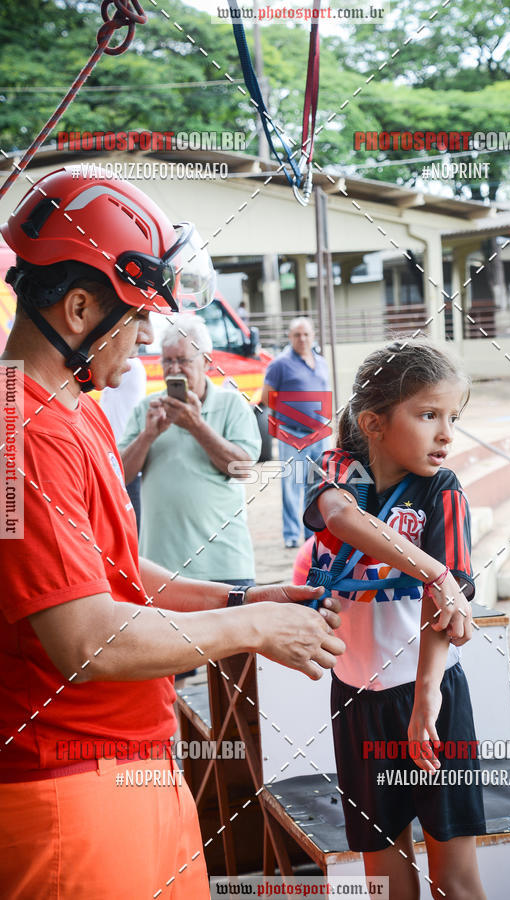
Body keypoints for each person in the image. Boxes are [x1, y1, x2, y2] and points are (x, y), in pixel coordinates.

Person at [0, 167, 344, 900]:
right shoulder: (22, 432)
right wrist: (252, 627)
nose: (151, 339)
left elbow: (114, 573)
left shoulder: (71, 406)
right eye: (138, 316)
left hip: (126, 761)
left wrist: (238, 597)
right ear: (79, 307)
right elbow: (86, 637)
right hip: (70, 785)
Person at [303, 338, 486, 900]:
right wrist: (436, 573)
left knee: (454, 880)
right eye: (428, 414)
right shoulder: (339, 473)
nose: (446, 433)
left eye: (453, 417)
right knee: (385, 880)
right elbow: (342, 519)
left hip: (430, 700)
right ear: (373, 423)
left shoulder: (443, 491)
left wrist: (427, 695)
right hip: (356, 701)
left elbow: (445, 609)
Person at [120, 317, 260, 587]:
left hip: (223, 565)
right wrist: (148, 435)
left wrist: (197, 426)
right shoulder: (148, 408)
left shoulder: (232, 405)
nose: (174, 369)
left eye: (183, 361)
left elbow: (242, 469)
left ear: (206, 362)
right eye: (167, 361)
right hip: (160, 568)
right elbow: (119, 477)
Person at [261, 316, 331, 549]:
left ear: (313, 336)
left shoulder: (321, 362)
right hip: (292, 433)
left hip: (319, 435)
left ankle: (310, 535)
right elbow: (266, 397)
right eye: (297, 335)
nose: (302, 339)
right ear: (290, 337)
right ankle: (291, 536)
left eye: (306, 334)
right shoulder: (280, 364)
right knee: (291, 485)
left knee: (316, 485)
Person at [100, 354, 146, 530]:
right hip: (115, 460)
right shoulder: (125, 366)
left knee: (130, 530)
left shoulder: (130, 366)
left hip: (123, 463)